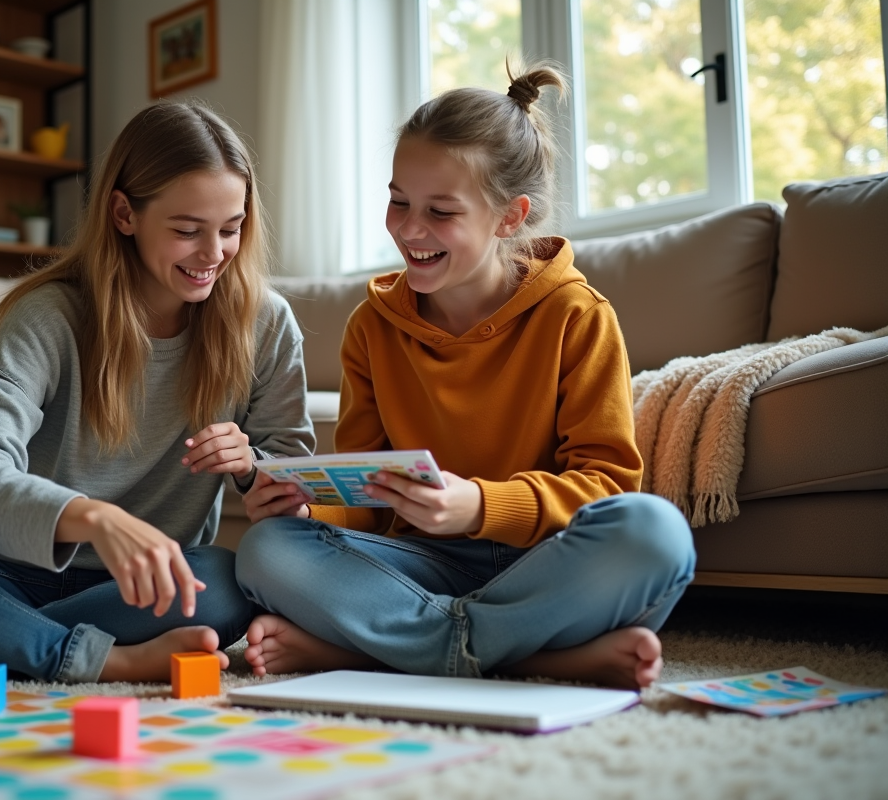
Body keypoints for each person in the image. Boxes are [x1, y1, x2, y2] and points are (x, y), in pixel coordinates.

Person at [0, 102, 314, 686]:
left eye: (231, 228)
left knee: (226, 581)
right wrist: (92, 519)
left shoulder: (266, 324)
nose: (214, 253)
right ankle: (97, 658)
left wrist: (251, 468)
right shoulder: (48, 317)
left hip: (140, 590)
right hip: (2, 575)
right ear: (124, 214)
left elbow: (296, 484)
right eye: (187, 230)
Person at [235, 62, 695, 690]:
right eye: (399, 201)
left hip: (544, 562)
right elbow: (366, 499)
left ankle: (380, 650)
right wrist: (310, 505)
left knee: (656, 534)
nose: (409, 229)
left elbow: (606, 486)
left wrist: (478, 506)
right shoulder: (372, 328)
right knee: (266, 550)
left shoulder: (577, 316)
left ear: (510, 217)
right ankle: (530, 655)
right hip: (419, 563)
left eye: (441, 211)